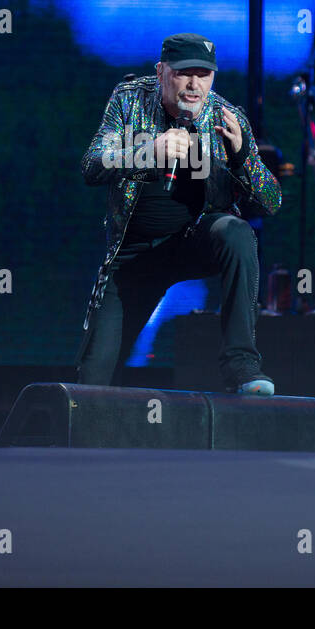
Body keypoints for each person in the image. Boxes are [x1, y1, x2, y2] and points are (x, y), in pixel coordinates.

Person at [77, 33, 282, 393]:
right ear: (161, 72)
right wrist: (147, 153)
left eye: (203, 74)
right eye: (183, 73)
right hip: (134, 254)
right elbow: (92, 166)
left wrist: (241, 157)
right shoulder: (130, 100)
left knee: (237, 233)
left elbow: (272, 201)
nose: (193, 85)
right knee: (93, 383)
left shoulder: (228, 118)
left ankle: (242, 365)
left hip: (192, 241)